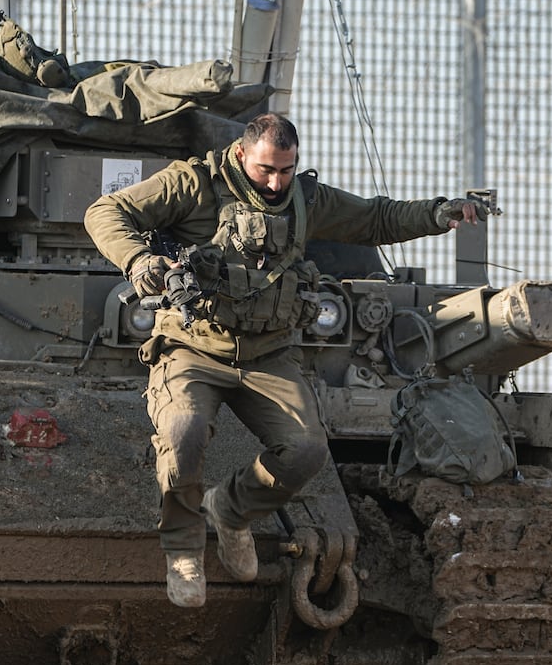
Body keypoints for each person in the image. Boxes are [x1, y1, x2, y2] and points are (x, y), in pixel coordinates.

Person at [84, 113, 489, 608]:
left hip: (268, 353)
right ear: (240, 155)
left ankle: (231, 511)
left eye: (286, 170)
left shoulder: (305, 200)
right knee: (183, 431)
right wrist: (140, 260)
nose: (276, 182)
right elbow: (106, 211)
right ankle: (184, 550)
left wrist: (437, 214)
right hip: (194, 345)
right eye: (265, 170)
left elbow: (374, 218)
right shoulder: (192, 183)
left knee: (305, 450)